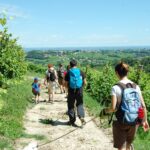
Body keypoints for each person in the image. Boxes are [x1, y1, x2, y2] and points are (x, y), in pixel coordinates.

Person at [106, 62, 149, 150]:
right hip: (134, 120)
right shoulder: (136, 87)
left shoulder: (115, 88)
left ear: (116, 73)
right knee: (128, 145)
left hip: (120, 121)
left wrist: (105, 111)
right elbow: (143, 106)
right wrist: (145, 120)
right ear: (127, 72)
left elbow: (113, 108)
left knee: (120, 146)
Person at [65, 60, 87, 126]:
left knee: (71, 105)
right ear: (76, 64)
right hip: (79, 90)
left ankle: (72, 121)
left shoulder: (68, 72)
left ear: (70, 65)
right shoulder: (81, 72)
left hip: (71, 90)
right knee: (80, 104)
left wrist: (67, 88)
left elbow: (65, 84)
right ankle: (81, 117)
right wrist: (81, 87)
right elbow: (85, 83)